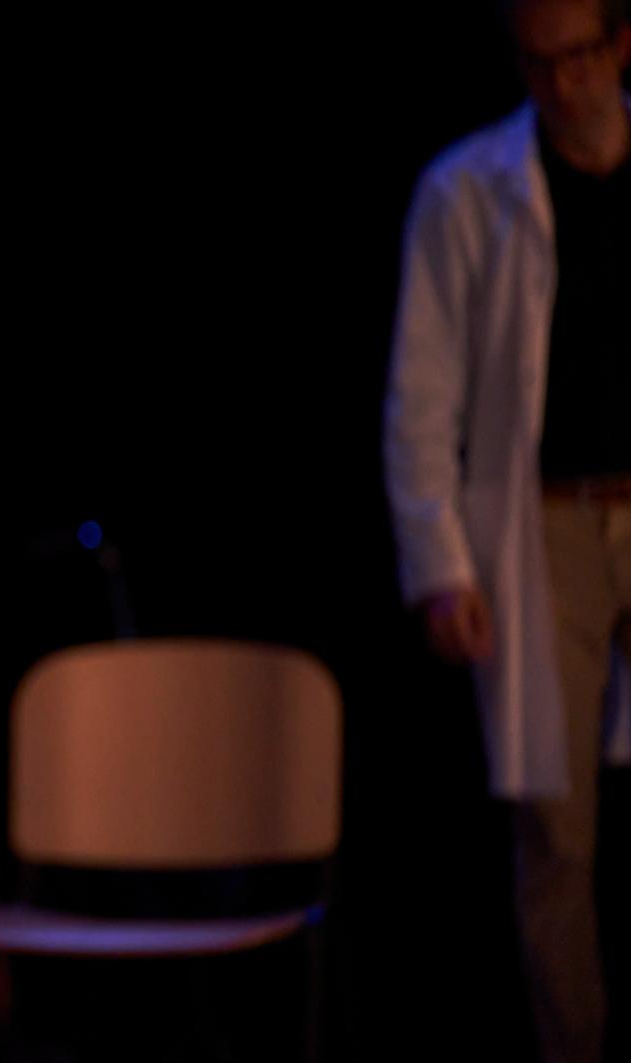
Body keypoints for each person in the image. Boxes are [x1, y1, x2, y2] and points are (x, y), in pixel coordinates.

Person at [383, 3, 631, 1060]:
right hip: (545, 529)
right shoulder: (467, 188)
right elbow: (421, 391)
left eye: (579, 57)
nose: (563, 84)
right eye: (539, 63)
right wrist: (441, 565)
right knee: (554, 828)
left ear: (619, 46)